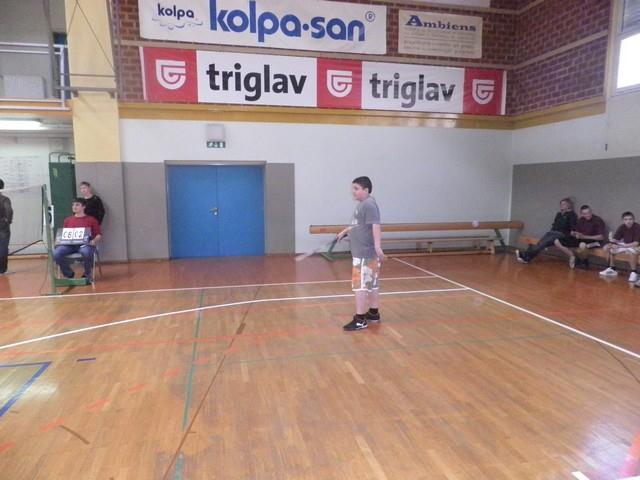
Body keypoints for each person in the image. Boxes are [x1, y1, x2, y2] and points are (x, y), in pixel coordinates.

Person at [338, 176, 384, 331]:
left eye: (356, 189)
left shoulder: (369, 205)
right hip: (364, 253)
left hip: (365, 254)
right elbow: (357, 224)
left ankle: (360, 320)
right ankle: (374, 313)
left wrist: (378, 247)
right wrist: (345, 231)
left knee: (360, 286)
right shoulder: (363, 204)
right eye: (353, 188)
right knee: (372, 284)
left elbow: (376, 225)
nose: (353, 192)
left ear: (366, 190)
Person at [516, 198, 578, 264]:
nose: (561, 205)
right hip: (552, 232)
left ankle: (525, 255)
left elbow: (573, 227)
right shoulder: (559, 214)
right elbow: (555, 224)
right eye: (561, 204)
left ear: (568, 205)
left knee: (541, 244)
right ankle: (527, 258)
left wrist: (571, 233)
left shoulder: (572, 215)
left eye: (563, 204)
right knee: (540, 244)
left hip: (561, 234)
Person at [53, 198, 102, 282]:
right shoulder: (68, 220)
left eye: (77, 205)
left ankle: (87, 274)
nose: (74, 207)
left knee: (86, 252)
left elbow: (98, 234)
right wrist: (59, 240)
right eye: (73, 205)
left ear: (84, 207)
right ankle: (68, 274)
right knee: (56, 253)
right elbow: (64, 234)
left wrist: (94, 241)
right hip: (69, 245)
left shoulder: (91, 220)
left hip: (85, 245)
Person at [599, 211, 640, 282]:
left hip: (636, 246)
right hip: (625, 245)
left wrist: (620, 245)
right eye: (626, 219)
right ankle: (612, 268)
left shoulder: (637, 227)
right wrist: (611, 243)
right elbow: (615, 239)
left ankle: (634, 272)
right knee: (610, 249)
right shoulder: (622, 227)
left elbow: (636, 243)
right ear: (623, 220)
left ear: (633, 219)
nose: (628, 221)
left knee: (633, 252)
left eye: (630, 219)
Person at [570, 205, 606, 269]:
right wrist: (575, 234)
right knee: (568, 241)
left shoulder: (598, 220)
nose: (588, 215)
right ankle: (577, 258)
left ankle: (584, 262)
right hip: (583, 240)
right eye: (585, 214)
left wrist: (585, 237)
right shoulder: (581, 220)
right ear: (582, 214)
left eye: (589, 212)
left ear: (591, 211)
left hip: (596, 242)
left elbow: (601, 237)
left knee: (582, 245)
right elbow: (577, 231)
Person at [0, 179, 13, 275]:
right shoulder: (5, 199)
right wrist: (8, 221)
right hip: (3, 226)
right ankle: (2, 270)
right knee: (3, 247)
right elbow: (9, 210)